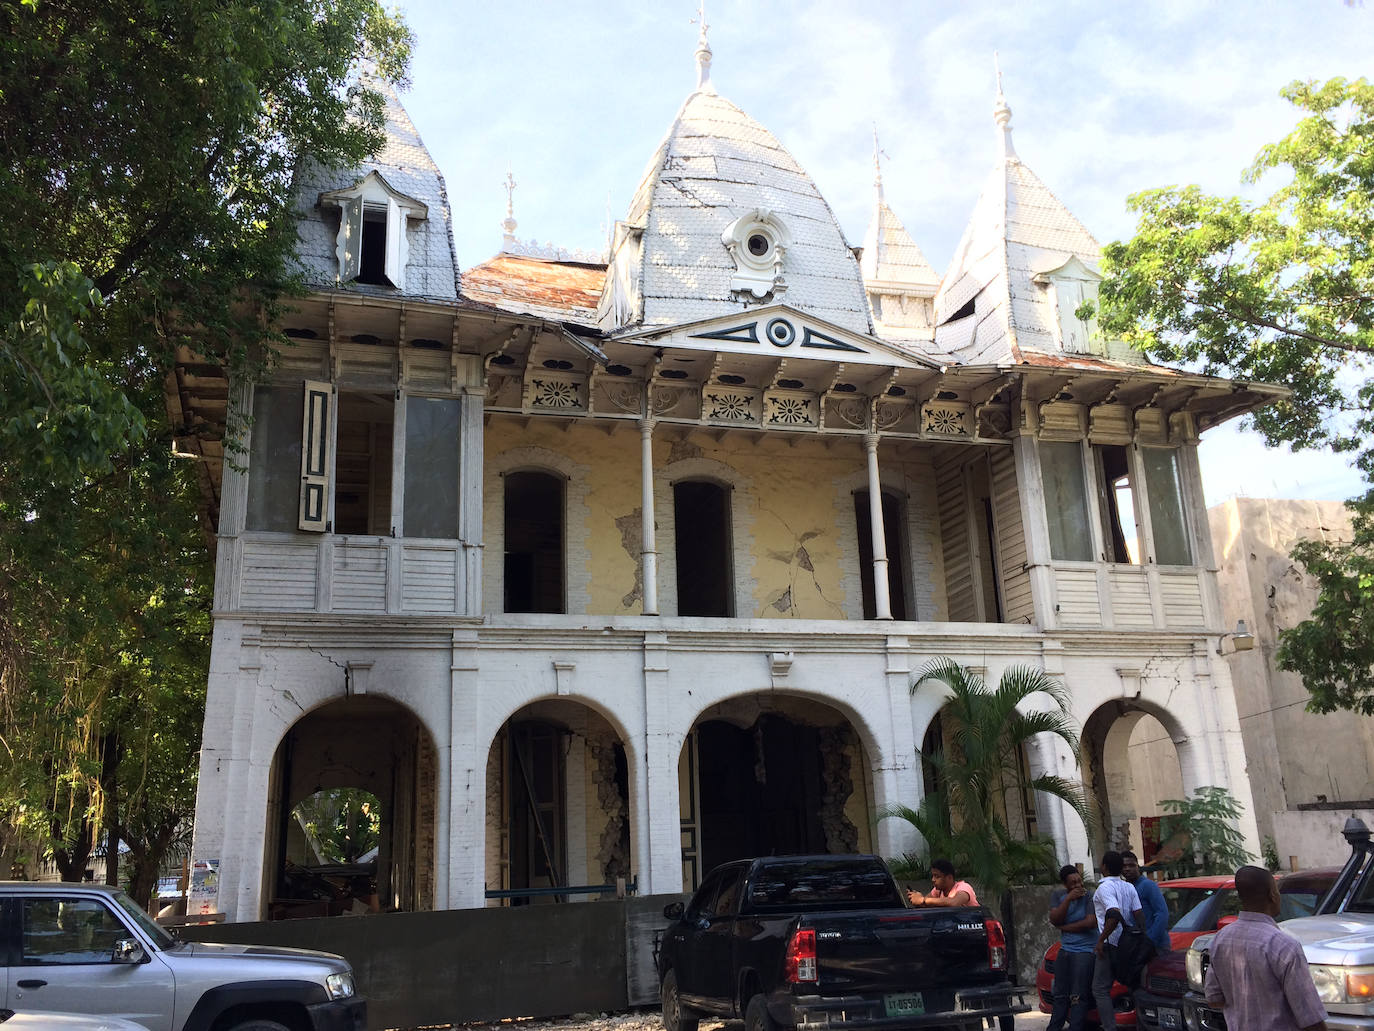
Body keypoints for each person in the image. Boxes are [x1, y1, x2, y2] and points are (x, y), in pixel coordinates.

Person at [1204, 865, 1327, 1031]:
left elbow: (1214, 999)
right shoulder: (1284, 946)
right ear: (1272, 895)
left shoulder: (1221, 939)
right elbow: (1310, 1018)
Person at [1092, 850, 1144, 1024]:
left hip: (1111, 943)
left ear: (1104, 867)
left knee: (1100, 989)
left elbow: (1113, 914)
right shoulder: (1129, 887)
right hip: (1129, 944)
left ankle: (1110, 1027)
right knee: (1131, 984)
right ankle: (1140, 1024)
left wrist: (1100, 940)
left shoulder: (1104, 888)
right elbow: (1138, 914)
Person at [1046, 864, 1096, 1031]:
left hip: (1085, 950)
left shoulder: (1089, 896)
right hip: (1066, 949)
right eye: (1073, 883)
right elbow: (1055, 919)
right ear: (1065, 885)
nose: (1078, 886)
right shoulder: (1058, 896)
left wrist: (1065, 928)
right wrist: (1068, 899)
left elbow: (1089, 922)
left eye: (1079, 881)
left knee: (1078, 995)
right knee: (1060, 994)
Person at [1122, 850, 1171, 956]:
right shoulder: (1124, 889)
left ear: (1138, 867)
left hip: (1156, 946)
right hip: (1135, 946)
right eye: (1124, 866)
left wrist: (1150, 939)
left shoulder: (1148, 885)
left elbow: (1162, 914)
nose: (1127, 869)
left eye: (1131, 865)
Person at [907, 858, 978, 907]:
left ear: (949, 877)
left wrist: (923, 900)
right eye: (933, 876)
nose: (933, 880)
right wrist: (916, 898)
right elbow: (926, 904)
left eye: (937, 876)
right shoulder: (938, 890)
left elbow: (954, 902)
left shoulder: (963, 887)